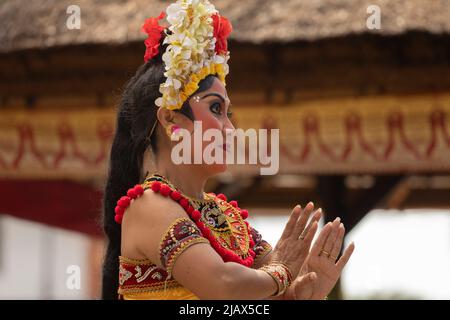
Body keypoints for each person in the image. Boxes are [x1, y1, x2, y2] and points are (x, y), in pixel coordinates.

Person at [101, 0, 354, 300]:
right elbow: (225, 284)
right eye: (216, 108)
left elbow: (253, 300)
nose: (229, 129)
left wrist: (301, 295)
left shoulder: (228, 218)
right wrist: (283, 273)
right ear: (170, 119)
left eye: (227, 114)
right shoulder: (148, 204)